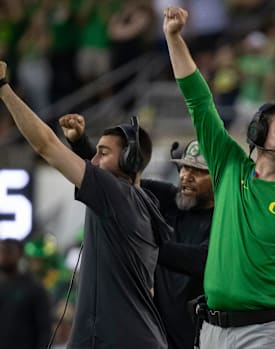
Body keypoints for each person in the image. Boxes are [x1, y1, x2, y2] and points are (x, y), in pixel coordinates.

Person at [163, 6, 275, 349]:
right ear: (258, 132)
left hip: (267, 331)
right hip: (211, 329)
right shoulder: (230, 167)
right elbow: (198, 101)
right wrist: (173, 37)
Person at [0, 61, 168, 349]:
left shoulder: (116, 194)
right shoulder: (141, 201)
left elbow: (45, 146)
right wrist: (81, 144)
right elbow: (104, 174)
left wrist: (3, 89)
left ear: (130, 161)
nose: (94, 160)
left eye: (103, 153)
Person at [59, 113, 214, 349]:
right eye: (183, 168)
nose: (186, 177)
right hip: (152, 333)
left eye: (199, 171)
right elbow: (111, 182)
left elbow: (205, 261)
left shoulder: (225, 222)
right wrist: (81, 144)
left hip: (197, 338)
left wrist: (142, 244)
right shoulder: (169, 198)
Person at [0, 238, 52, 349]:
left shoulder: (33, 287)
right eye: (1, 251)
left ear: (20, 254)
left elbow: (44, 328)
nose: (3, 256)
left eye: (8, 251)